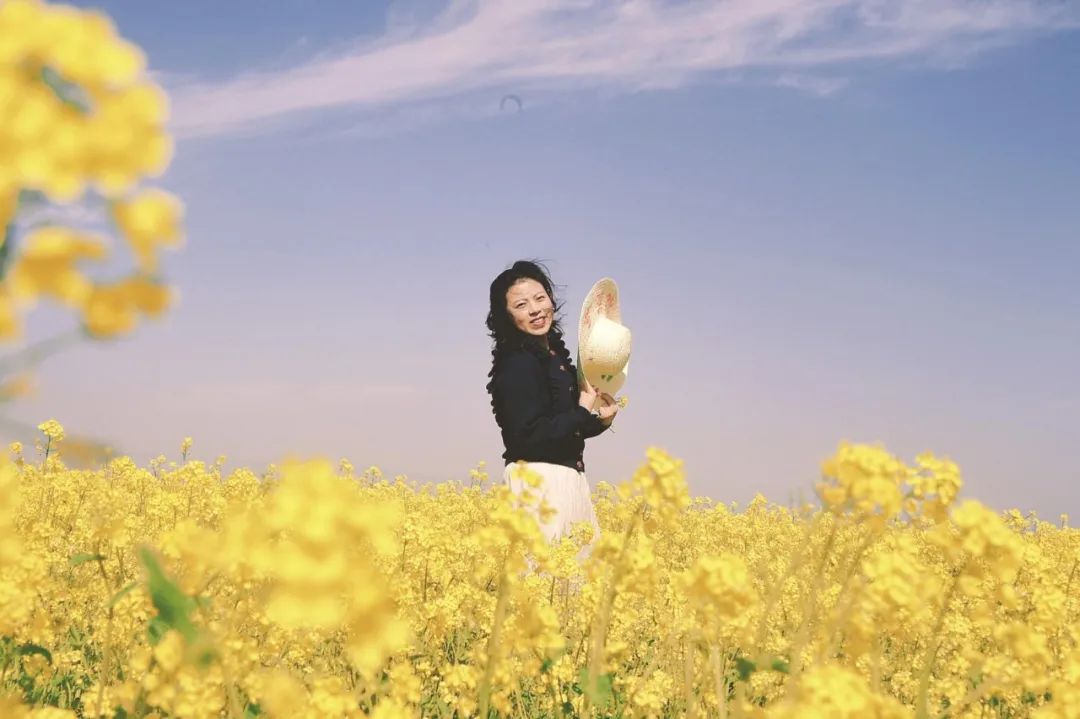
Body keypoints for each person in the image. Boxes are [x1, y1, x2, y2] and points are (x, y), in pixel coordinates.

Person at [485, 260, 619, 543]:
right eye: (521, 305)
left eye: (539, 298)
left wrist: (600, 421)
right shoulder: (518, 363)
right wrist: (582, 410)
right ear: (506, 316)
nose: (535, 309)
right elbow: (529, 436)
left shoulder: (554, 356)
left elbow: (562, 427)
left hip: (566, 479)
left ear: (551, 299)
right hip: (537, 483)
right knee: (545, 569)